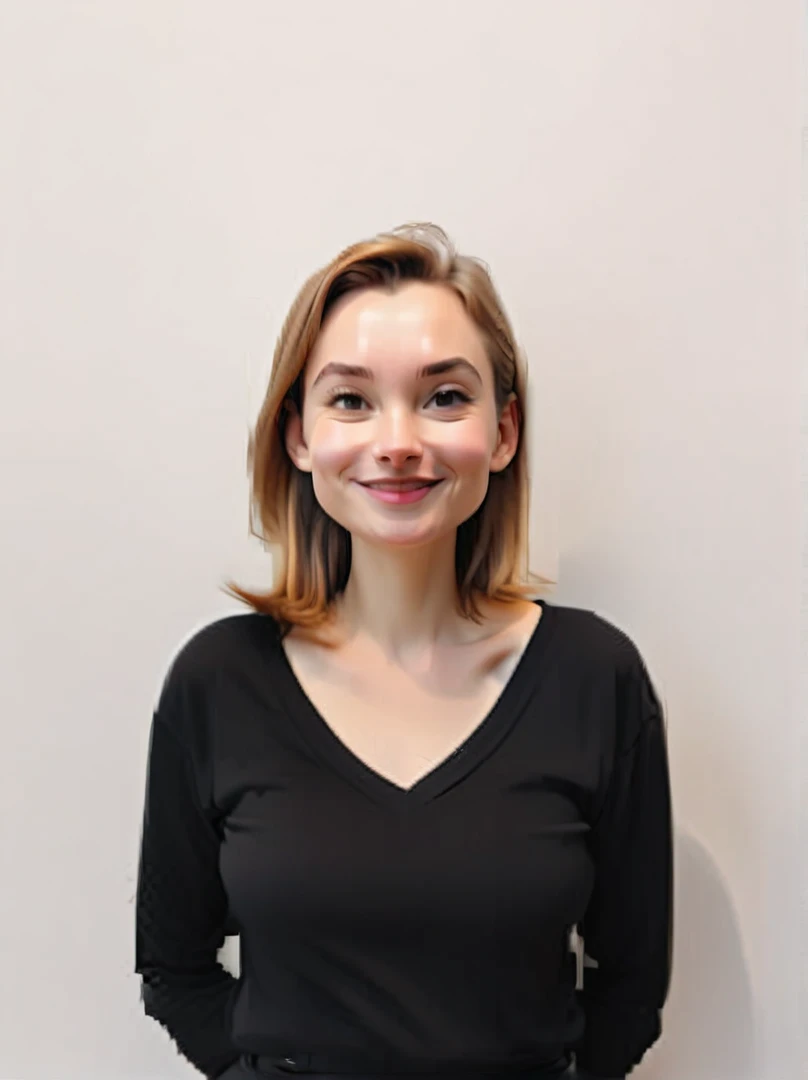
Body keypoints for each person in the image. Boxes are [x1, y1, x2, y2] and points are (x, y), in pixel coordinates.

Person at [135, 223, 673, 1080]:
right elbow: (173, 969)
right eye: (351, 399)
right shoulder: (219, 682)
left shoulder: (594, 679)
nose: (398, 440)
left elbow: (632, 986)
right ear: (298, 436)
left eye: (443, 397)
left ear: (502, 434)